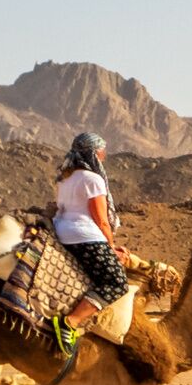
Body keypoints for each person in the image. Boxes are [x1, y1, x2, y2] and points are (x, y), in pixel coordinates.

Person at [50, 133, 129, 333]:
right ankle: (70, 323)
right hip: (85, 236)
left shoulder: (64, 179)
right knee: (117, 283)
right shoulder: (92, 179)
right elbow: (101, 220)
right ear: (94, 153)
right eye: (102, 151)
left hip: (63, 232)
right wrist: (111, 248)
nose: (105, 155)